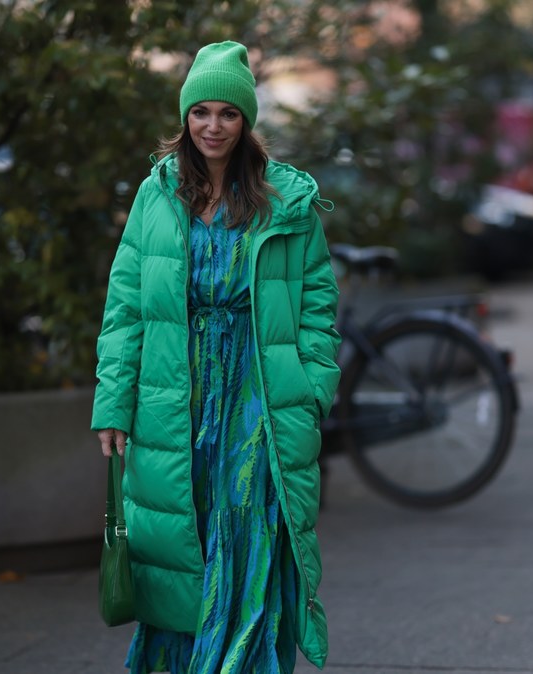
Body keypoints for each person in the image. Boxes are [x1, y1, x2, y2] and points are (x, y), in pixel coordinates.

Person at [91, 41, 340, 673]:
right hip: (176, 395)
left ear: (246, 119)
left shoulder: (287, 203)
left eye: (227, 112)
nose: (212, 126)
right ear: (184, 118)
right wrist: (112, 406)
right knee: (187, 540)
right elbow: (125, 310)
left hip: (257, 394)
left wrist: (312, 389)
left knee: (249, 531)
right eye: (200, 111)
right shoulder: (156, 197)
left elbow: (317, 305)